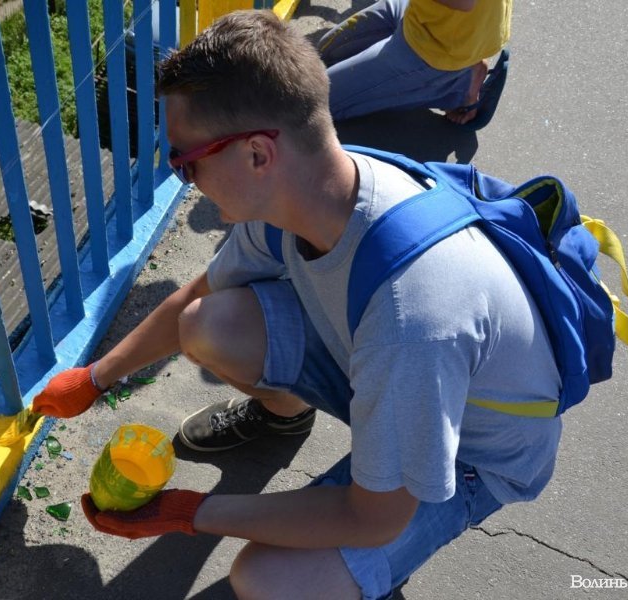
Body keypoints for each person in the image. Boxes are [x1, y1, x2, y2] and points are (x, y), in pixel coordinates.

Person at [32, 10, 562, 599]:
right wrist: (96, 378)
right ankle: (286, 417)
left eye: (185, 161)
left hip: (468, 450)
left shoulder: (411, 321)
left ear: (258, 154)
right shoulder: (314, 188)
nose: (184, 177)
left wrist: (188, 512)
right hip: (388, 369)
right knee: (208, 323)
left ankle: (367, 575)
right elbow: (198, 295)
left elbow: (372, 518)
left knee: (269, 579)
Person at [319, 0, 511, 128]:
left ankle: (459, 86)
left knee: (311, 102)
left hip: (438, 46)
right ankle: (466, 61)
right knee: (328, 51)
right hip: (419, 13)